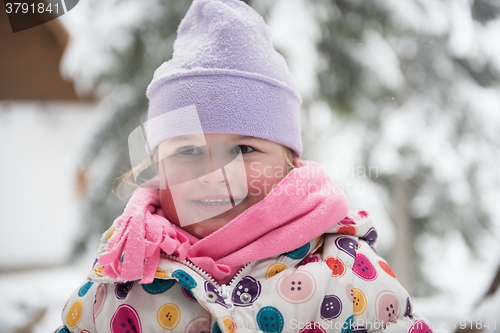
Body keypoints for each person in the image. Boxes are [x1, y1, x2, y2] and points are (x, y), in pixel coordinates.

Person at [56, 0, 434, 332]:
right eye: (187, 152)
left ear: (289, 164)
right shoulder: (124, 270)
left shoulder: (343, 269)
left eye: (243, 148)